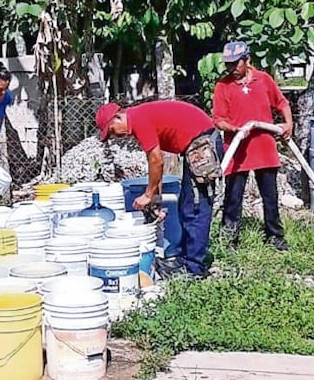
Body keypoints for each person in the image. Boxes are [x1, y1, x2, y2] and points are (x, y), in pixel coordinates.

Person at [95, 100, 220, 278]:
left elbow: (156, 160)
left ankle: (194, 268)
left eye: (112, 130)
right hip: (197, 141)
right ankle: (187, 260)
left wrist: (148, 195)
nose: (114, 136)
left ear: (117, 117)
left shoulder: (138, 120)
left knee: (196, 207)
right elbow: (155, 168)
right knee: (186, 206)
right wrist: (155, 201)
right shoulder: (139, 117)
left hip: (202, 142)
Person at [212, 41, 293, 251]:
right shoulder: (223, 86)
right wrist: (235, 129)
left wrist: (288, 124)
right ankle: (229, 240)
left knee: (270, 196)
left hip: (264, 147)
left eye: (235, 64)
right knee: (233, 197)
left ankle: (275, 236)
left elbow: (282, 103)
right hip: (237, 150)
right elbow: (218, 119)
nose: (231, 69)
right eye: (228, 64)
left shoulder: (263, 80)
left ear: (247, 60)